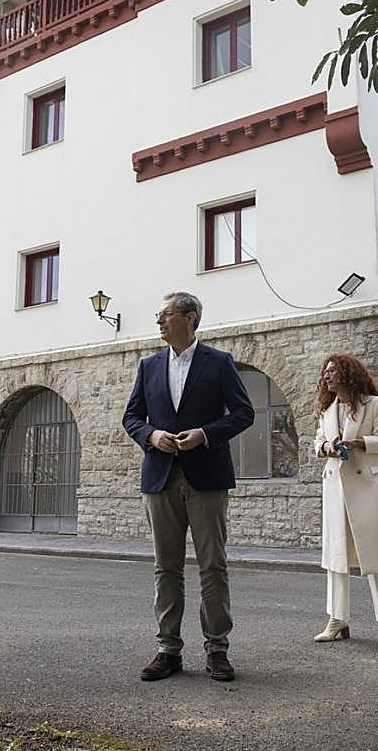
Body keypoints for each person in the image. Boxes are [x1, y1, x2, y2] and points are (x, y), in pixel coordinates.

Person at [122, 291, 254, 684]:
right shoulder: (148, 366)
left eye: (165, 315)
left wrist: (206, 434)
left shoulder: (219, 363)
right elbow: (131, 417)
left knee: (213, 566)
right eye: (159, 315)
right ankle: (168, 650)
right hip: (160, 477)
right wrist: (151, 435)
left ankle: (217, 649)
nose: (159, 321)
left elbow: (244, 413)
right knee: (167, 568)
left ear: (190, 318)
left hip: (207, 478)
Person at [312, 354, 378, 651]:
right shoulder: (328, 409)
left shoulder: (375, 405)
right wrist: (326, 447)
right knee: (336, 557)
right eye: (325, 372)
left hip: (370, 488)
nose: (327, 376)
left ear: (348, 374)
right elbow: (317, 440)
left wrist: (360, 443)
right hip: (337, 489)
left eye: (333, 371)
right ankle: (337, 619)